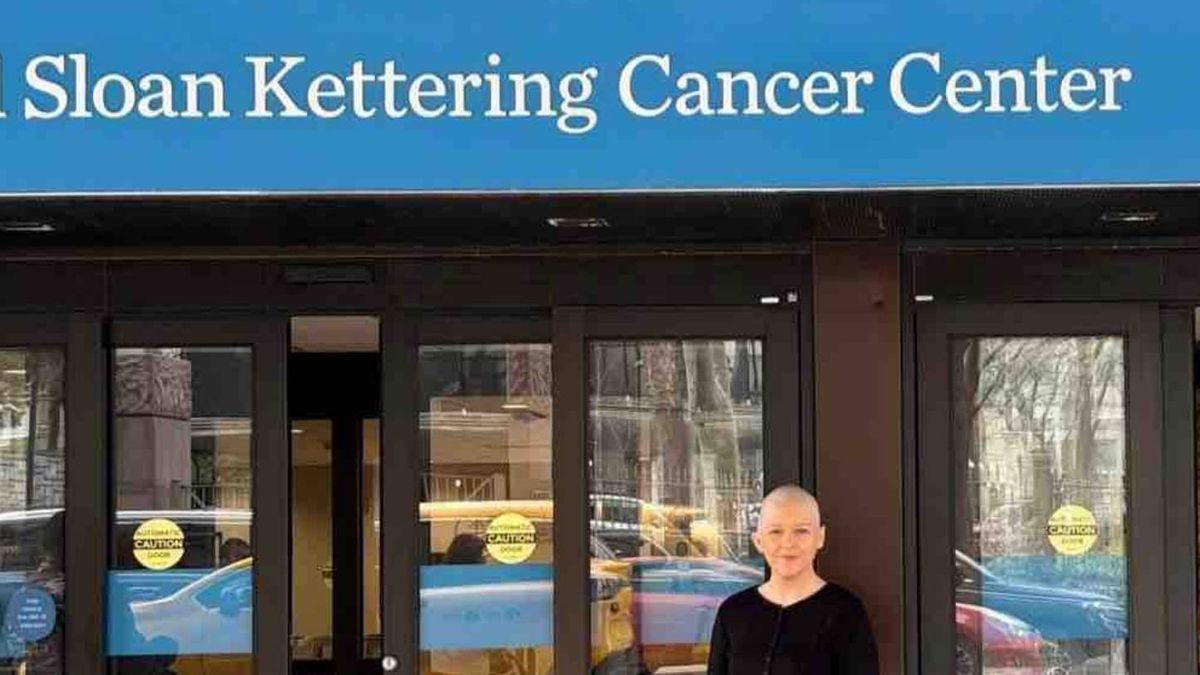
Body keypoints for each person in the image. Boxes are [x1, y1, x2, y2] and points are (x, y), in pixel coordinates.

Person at [707, 485, 878, 674]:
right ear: (758, 541)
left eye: (801, 531)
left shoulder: (846, 612)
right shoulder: (733, 612)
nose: (788, 543)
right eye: (776, 531)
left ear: (820, 537)